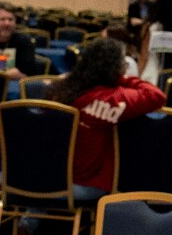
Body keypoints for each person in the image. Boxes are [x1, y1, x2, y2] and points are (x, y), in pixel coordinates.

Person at [47, 37, 165, 191]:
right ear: (115, 68)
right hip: (86, 184)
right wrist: (123, 78)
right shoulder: (111, 99)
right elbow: (156, 96)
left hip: (48, 177)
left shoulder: (63, 89)